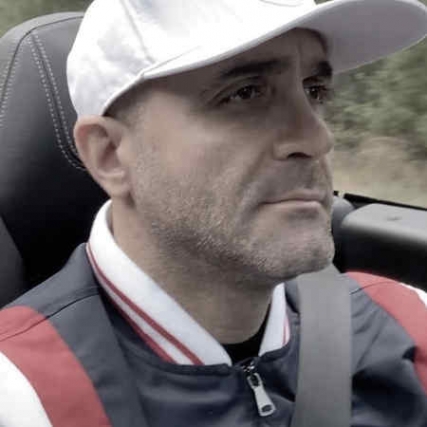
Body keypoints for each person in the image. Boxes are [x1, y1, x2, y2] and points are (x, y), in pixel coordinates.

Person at [0, 0, 427, 426]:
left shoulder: (406, 321)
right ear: (110, 154)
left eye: (314, 90)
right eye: (245, 93)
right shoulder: (22, 398)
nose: (318, 139)